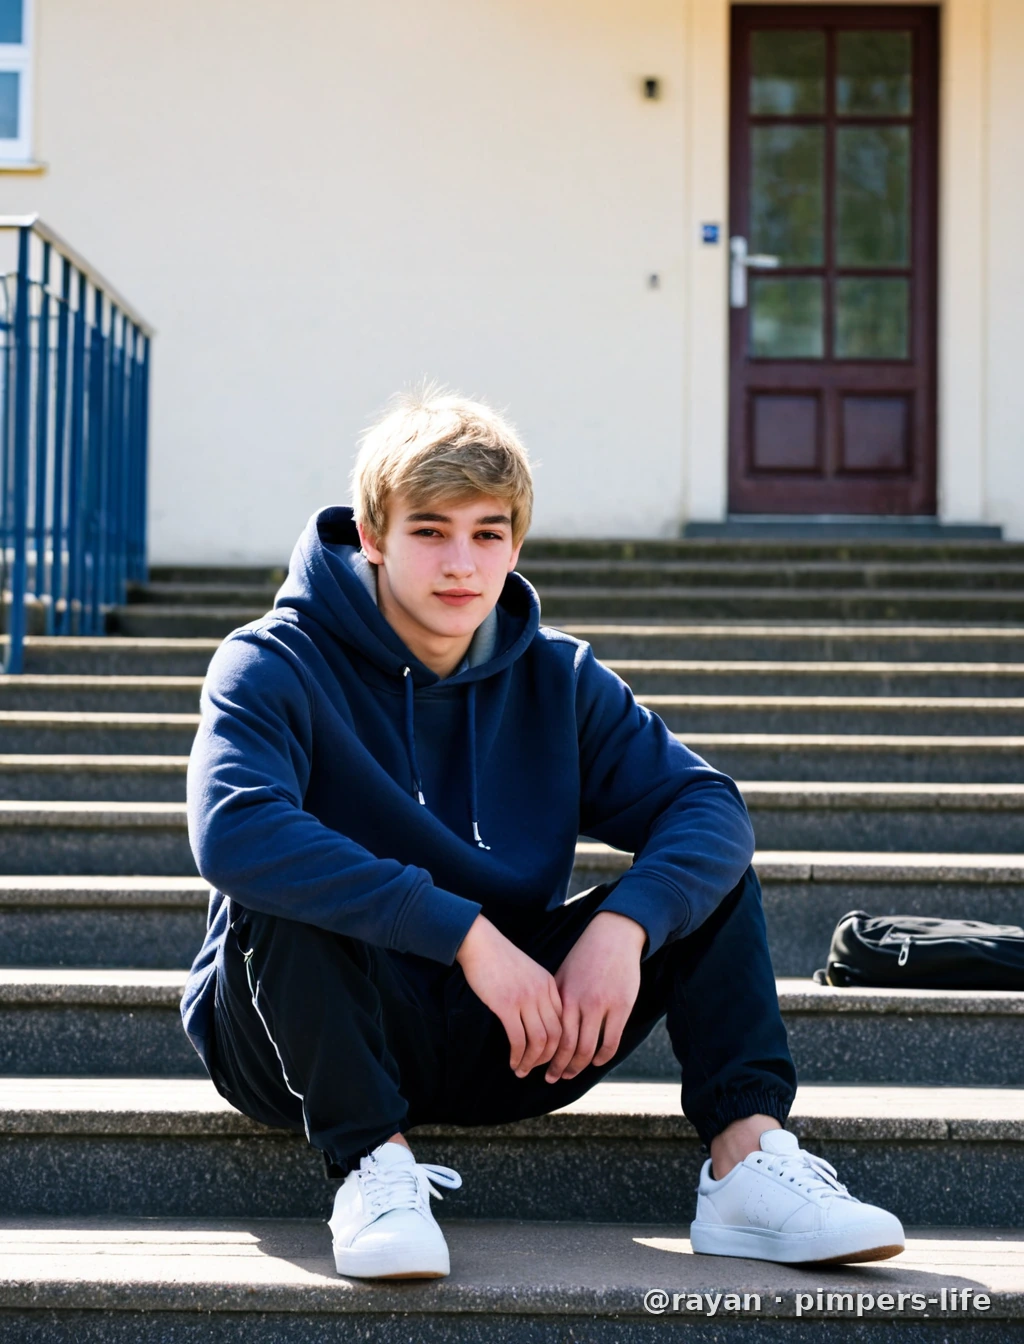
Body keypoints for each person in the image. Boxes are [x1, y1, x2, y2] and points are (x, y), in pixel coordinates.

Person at [180, 388, 905, 1279]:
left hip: (515, 1035)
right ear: (372, 536)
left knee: (702, 877)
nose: (462, 563)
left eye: (488, 534)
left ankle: (746, 1161)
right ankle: (371, 1166)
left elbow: (709, 808)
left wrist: (624, 927)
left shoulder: (556, 677)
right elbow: (235, 829)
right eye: (431, 530)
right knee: (284, 889)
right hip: (300, 1040)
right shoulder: (273, 661)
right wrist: (467, 933)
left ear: (515, 545)